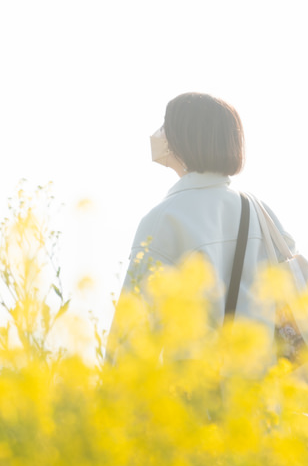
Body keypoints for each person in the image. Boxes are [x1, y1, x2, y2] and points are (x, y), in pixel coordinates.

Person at [105, 92, 295, 366]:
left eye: (165, 126)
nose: (158, 134)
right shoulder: (260, 211)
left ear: (183, 138)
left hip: (196, 397)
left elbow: (131, 332)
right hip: (263, 395)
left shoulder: (165, 218)